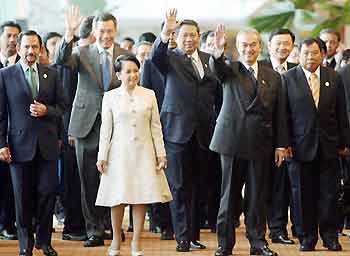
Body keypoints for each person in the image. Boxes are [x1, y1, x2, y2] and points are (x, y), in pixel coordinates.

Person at [210, 25, 288, 256]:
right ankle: (225, 245)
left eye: (253, 44)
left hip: (260, 143)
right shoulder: (230, 69)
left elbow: (280, 113)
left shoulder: (272, 76)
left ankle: (258, 242)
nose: (249, 49)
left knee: (257, 197)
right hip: (232, 142)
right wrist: (217, 51)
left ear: (260, 46)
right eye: (244, 45)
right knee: (229, 197)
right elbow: (217, 68)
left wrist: (281, 144)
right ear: (237, 47)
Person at [55, 6, 127, 247]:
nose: (106, 35)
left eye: (110, 31)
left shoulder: (124, 54)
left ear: (115, 31)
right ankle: (94, 229)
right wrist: (69, 33)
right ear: (95, 32)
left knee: (113, 177)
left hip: (117, 125)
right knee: (88, 180)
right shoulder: (81, 52)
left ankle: (109, 224)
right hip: (86, 125)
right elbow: (61, 60)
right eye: (101, 31)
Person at [150, 9, 221, 252]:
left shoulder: (208, 59)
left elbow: (217, 93)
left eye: (193, 35)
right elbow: (154, 57)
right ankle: (181, 237)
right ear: (176, 38)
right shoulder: (170, 57)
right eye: (183, 36)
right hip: (177, 133)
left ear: (199, 36)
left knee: (198, 186)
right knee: (179, 187)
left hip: (204, 133)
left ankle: (192, 235)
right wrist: (165, 32)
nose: (189, 39)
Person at [95, 54, 172, 256]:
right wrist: (102, 156)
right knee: (117, 197)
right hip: (118, 153)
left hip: (144, 152)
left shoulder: (149, 95)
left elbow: (156, 127)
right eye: (128, 71)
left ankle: (136, 243)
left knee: (140, 197)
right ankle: (115, 242)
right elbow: (106, 130)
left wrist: (161, 154)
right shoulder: (110, 96)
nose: (133, 75)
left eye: (136, 70)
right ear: (119, 74)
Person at [0, 30, 66, 256]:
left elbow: (62, 107)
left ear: (40, 50)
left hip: (47, 146)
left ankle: (45, 241)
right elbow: (1, 114)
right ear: (18, 49)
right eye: (26, 47)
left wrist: (46, 110)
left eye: (35, 47)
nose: (31, 51)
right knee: (22, 198)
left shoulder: (52, 73)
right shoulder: (5, 75)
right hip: (18, 147)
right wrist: (1, 144)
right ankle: (25, 244)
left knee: (48, 193)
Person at [283, 38, 349, 252]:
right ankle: (306, 237)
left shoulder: (334, 77)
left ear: (322, 54)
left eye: (314, 53)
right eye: (305, 54)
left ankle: (330, 236)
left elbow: (341, 113)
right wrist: (284, 144)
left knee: (330, 194)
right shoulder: (287, 79)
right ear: (298, 55)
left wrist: (344, 142)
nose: (309, 57)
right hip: (299, 148)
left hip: (329, 147)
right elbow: (282, 117)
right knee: (302, 195)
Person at [260, 28, 298, 244]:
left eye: (287, 43)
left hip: (292, 140)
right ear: (269, 44)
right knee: (264, 186)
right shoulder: (260, 67)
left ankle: (281, 229)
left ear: (292, 46)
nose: (282, 47)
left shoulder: (297, 69)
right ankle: (265, 230)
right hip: (262, 137)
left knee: (284, 187)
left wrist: (287, 141)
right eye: (278, 43)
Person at [0, 20, 21, 241]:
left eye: (17, 36)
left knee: (9, 182)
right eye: (9, 35)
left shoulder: (21, 67)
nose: (13, 40)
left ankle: (7, 223)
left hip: (13, 134)